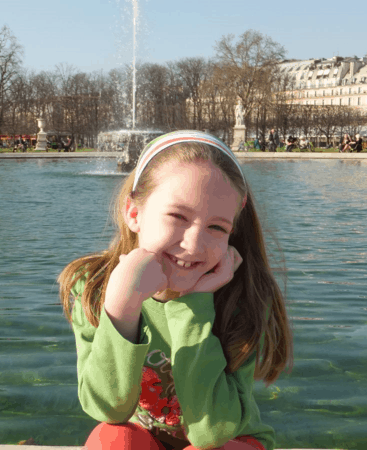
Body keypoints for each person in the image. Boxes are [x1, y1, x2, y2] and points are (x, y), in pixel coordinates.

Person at [58, 131, 293, 450]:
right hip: (141, 438)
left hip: (233, 439)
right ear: (134, 213)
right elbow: (107, 409)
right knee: (112, 441)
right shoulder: (93, 285)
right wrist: (121, 308)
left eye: (216, 227)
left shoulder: (243, 293)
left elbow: (212, 433)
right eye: (177, 216)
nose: (194, 244)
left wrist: (194, 304)